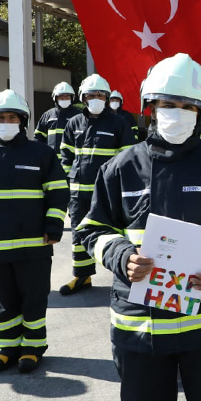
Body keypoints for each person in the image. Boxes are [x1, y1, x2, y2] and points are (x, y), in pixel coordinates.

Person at [76, 53, 201, 401]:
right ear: (150, 107)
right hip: (139, 328)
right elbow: (91, 229)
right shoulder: (121, 168)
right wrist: (122, 256)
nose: (177, 112)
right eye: (167, 104)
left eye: (187, 106)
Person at [0, 90, 69, 374]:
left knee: (33, 298)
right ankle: (7, 348)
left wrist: (53, 226)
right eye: (1, 118)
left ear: (23, 121)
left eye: (12, 117)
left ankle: (32, 347)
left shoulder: (41, 154)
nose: (7, 122)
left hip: (34, 244)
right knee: (4, 299)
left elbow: (58, 193)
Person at [59, 74, 135, 296]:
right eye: (92, 95)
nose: (96, 99)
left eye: (101, 95)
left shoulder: (118, 124)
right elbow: (65, 157)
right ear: (83, 97)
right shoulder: (73, 123)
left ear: (107, 98)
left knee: (118, 234)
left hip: (108, 193)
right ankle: (82, 276)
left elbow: (127, 160)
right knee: (78, 235)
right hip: (78, 193)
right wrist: (66, 187)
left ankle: (126, 276)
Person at [34, 81, 81, 159]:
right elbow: (39, 136)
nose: (64, 99)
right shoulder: (48, 115)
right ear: (55, 98)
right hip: (50, 159)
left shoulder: (78, 115)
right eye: (61, 97)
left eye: (67, 97)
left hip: (71, 159)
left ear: (72, 98)